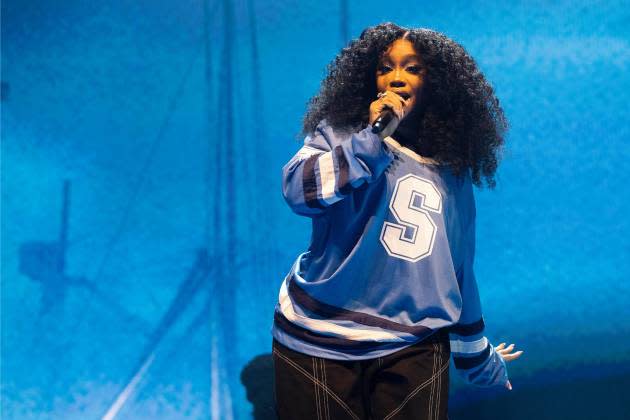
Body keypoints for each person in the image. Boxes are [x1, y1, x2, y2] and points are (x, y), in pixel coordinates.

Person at [271, 22, 523, 420]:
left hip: (413, 346)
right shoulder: (341, 134)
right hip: (317, 340)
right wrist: (372, 140)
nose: (396, 78)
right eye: (385, 67)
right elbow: (298, 192)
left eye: (413, 68)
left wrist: (477, 357)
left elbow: (457, 271)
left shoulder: (450, 171)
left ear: (437, 83)